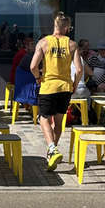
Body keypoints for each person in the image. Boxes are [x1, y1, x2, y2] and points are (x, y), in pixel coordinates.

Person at [30, 11, 83, 170]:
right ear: (66, 27)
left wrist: (38, 78)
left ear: (54, 25)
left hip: (48, 86)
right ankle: (52, 151)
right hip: (65, 87)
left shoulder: (43, 42)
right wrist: (74, 84)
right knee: (59, 122)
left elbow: (33, 66)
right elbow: (79, 70)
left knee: (43, 118)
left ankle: (52, 149)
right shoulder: (72, 44)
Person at [13, 37, 38, 109]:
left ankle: (29, 107)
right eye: (32, 44)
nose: (34, 46)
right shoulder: (26, 55)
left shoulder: (26, 54)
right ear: (26, 46)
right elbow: (32, 69)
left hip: (20, 82)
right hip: (21, 83)